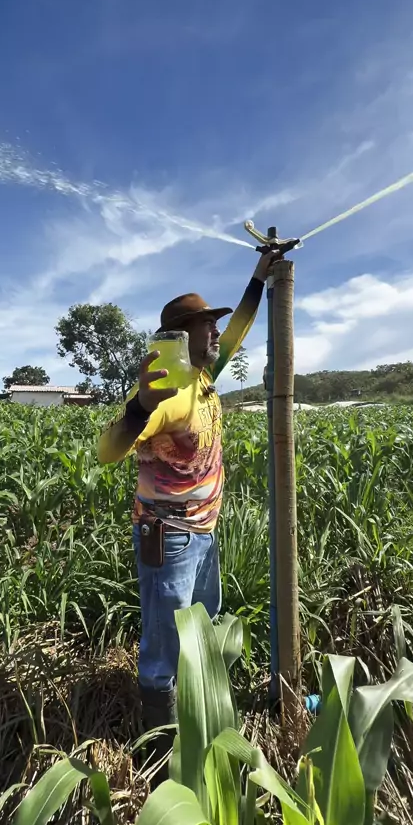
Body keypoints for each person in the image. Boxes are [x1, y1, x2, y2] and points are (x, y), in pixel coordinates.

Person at [97, 250, 277, 781]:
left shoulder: (205, 377)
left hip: (203, 533)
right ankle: (160, 754)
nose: (216, 333)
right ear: (180, 336)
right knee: (164, 647)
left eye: (214, 325)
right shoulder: (167, 395)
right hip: (168, 537)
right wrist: (137, 407)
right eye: (206, 326)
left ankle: (196, 723)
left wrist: (259, 277)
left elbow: (238, 330)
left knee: (202, 627)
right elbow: (108, 451)